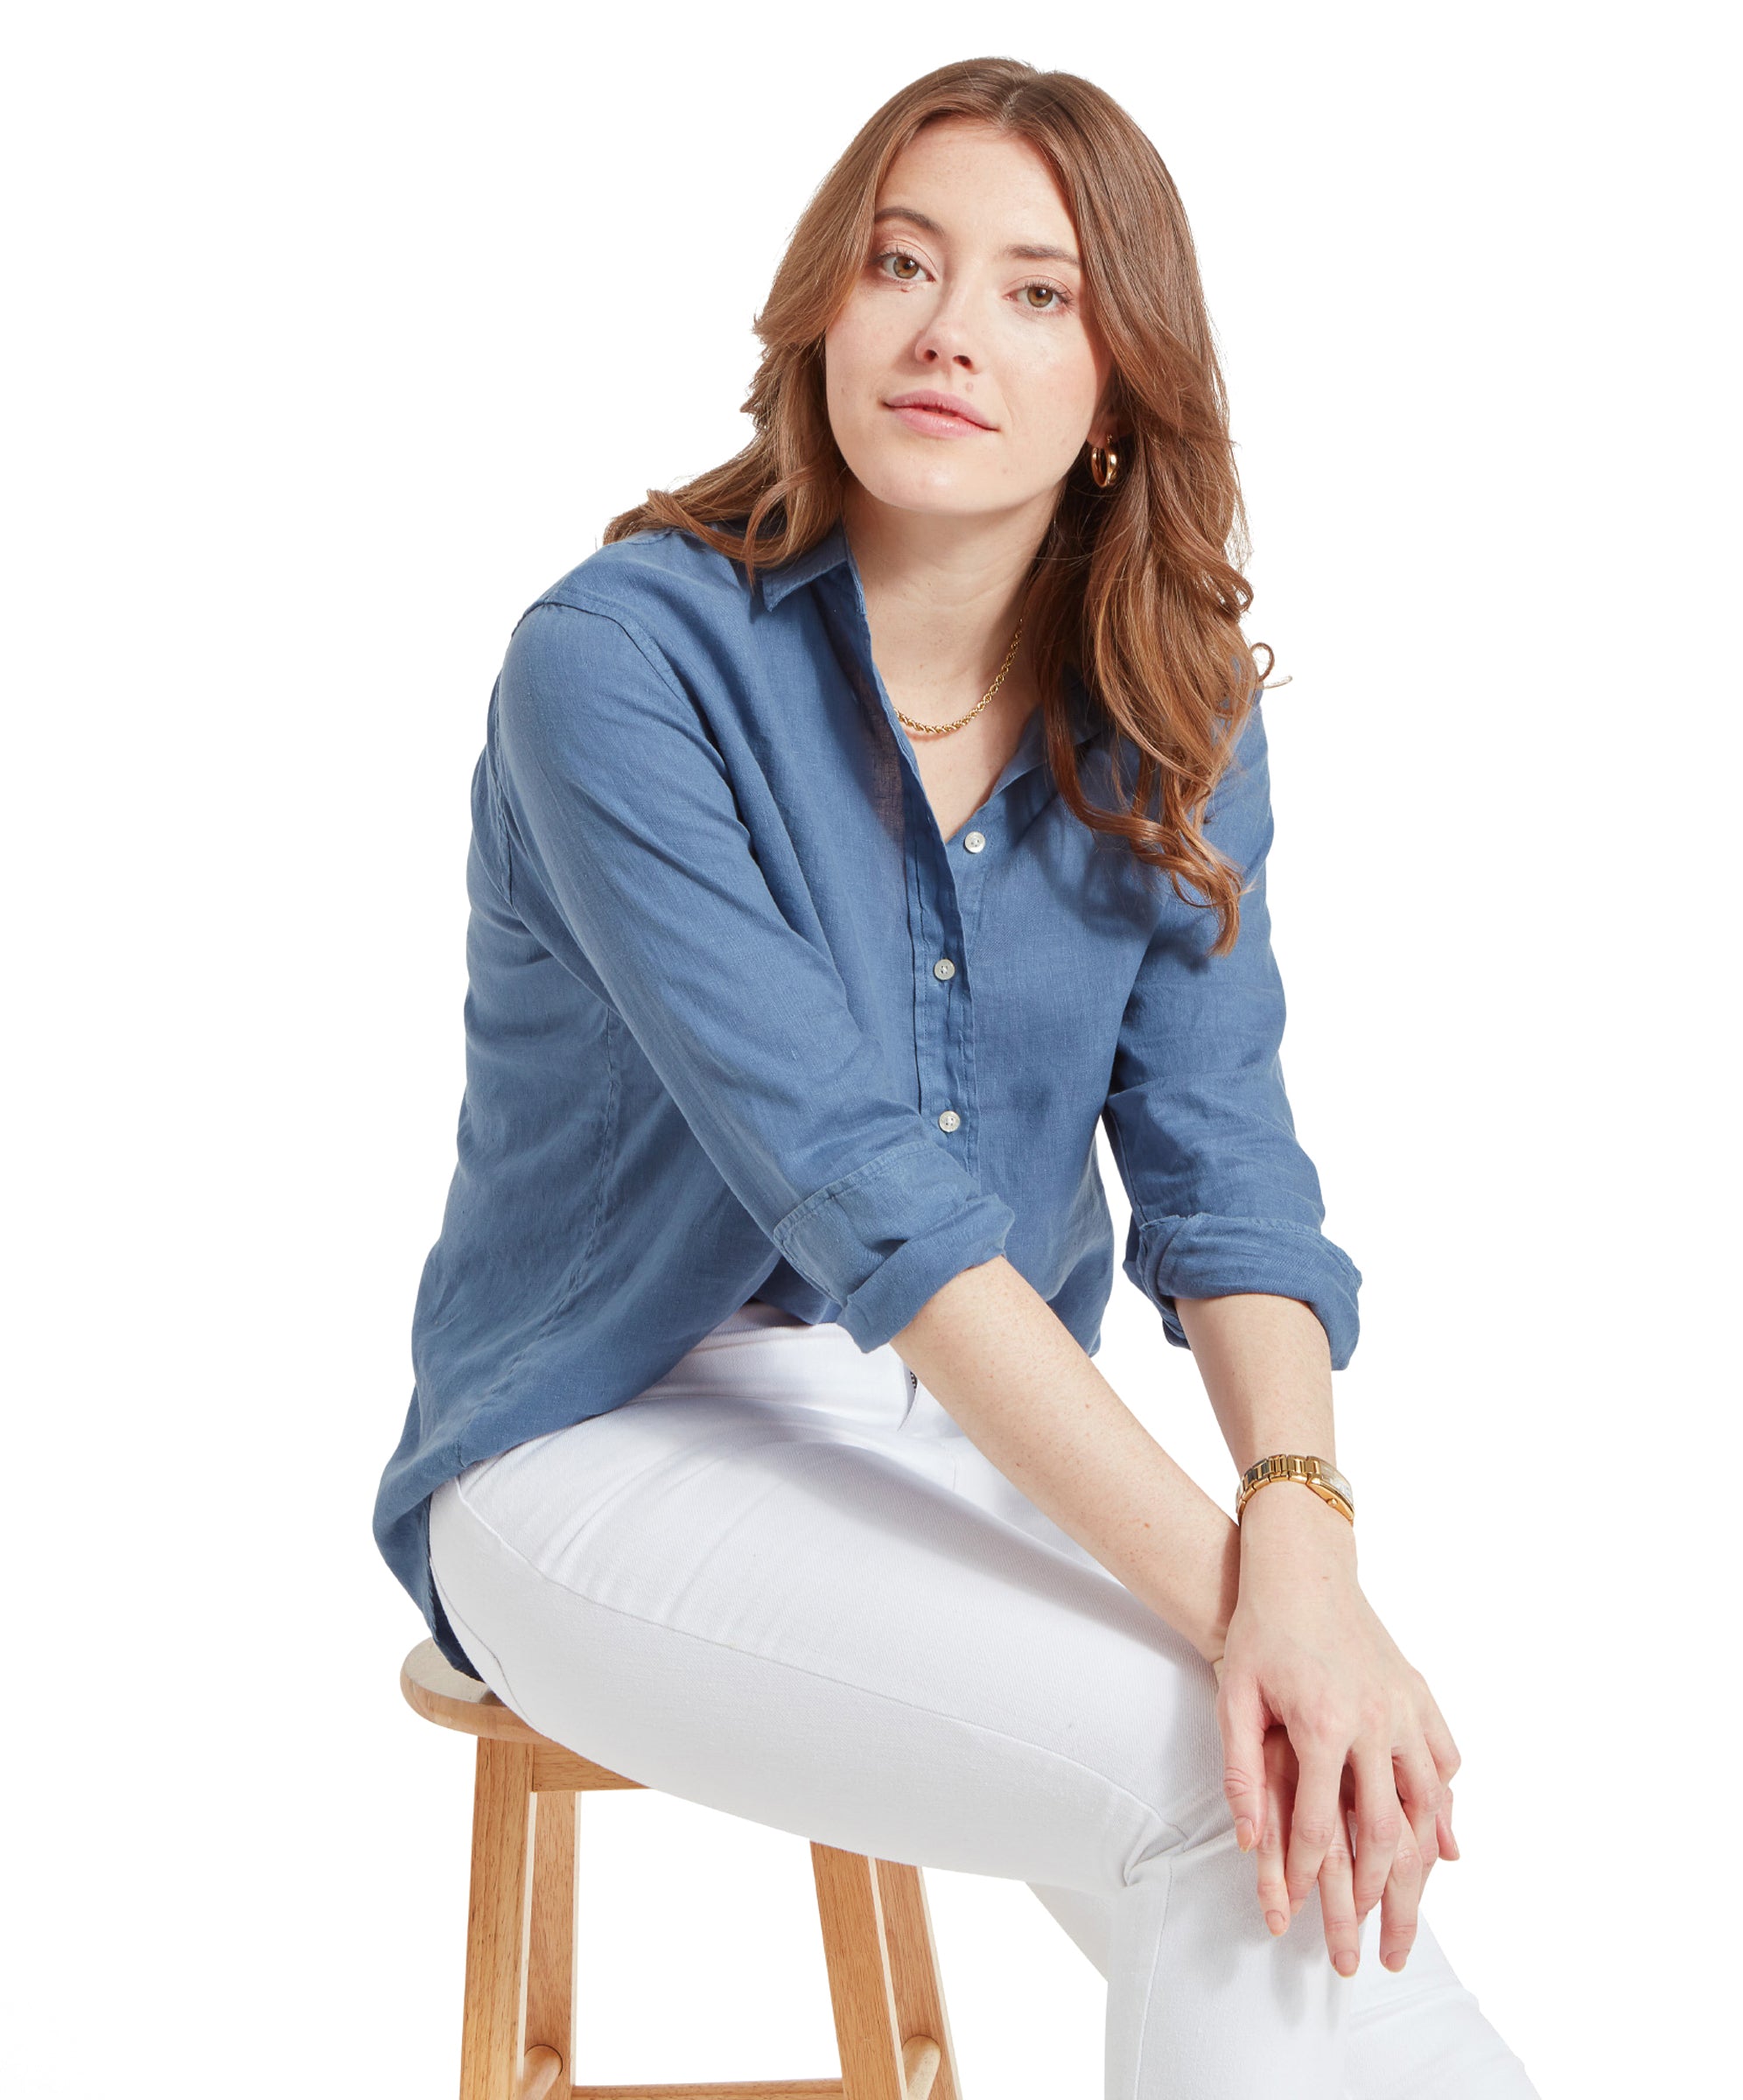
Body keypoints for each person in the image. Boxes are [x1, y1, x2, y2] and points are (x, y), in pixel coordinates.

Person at [373, 57, 1540, 2097]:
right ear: (821, 307)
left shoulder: (1165, 703)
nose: (945, 332)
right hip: (587, 1449)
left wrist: (1307, 1552)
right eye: (901, 264)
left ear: (1122, 389)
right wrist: (1260, 1629)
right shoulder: (625, 664)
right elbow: (863, 1197)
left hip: (950, 1431)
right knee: (1224, 1774)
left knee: (1275, 1810)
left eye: (1035, 292)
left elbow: (1230, 1175)